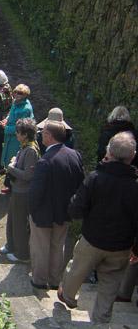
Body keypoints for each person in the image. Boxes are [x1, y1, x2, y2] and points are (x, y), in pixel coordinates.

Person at [58, 132, 138, 323]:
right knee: (111, 283)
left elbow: (75, 210)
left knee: (77, 269)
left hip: (92, 239)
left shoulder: (95, 178)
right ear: (132, 156)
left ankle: (67, 295)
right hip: (121, 246)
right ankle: (101, 319)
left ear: (108, 152)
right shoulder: (135, 185)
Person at [28, 120, 84, 290]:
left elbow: (36, 192)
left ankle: (39, 280)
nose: (40, 135)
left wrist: (31, 210)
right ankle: (54, 281)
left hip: (44, 214)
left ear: (49, 136)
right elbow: (80, 183)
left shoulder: (44, 161)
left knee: (41, 247)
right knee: (58, 247)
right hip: (64, 211)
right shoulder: (75, 155)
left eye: (43, 132)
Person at [0, 118, 40, 263]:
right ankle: (11, 245)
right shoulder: (24, 145)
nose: (16, 134)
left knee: (20, 224)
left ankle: (22, 254)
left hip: (23, 192)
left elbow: (28, 175)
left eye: (18, 132)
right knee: (12, 220)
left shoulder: (30, 150)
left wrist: (11, 168)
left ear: (25, 134)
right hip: (16, 189)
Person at [0, 84, 34, 194]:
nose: (16, 95)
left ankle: (12, 186)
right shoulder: (16, 103)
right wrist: (6, 119)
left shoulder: (25, 109)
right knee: (9, 159)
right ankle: (9, 184)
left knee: (14, 161)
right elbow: (11, 113)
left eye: (20, 93)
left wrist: (7, 128)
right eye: (15, 92)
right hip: (11, 136)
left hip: (17, 138)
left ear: (25, 95)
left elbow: (22, 128)